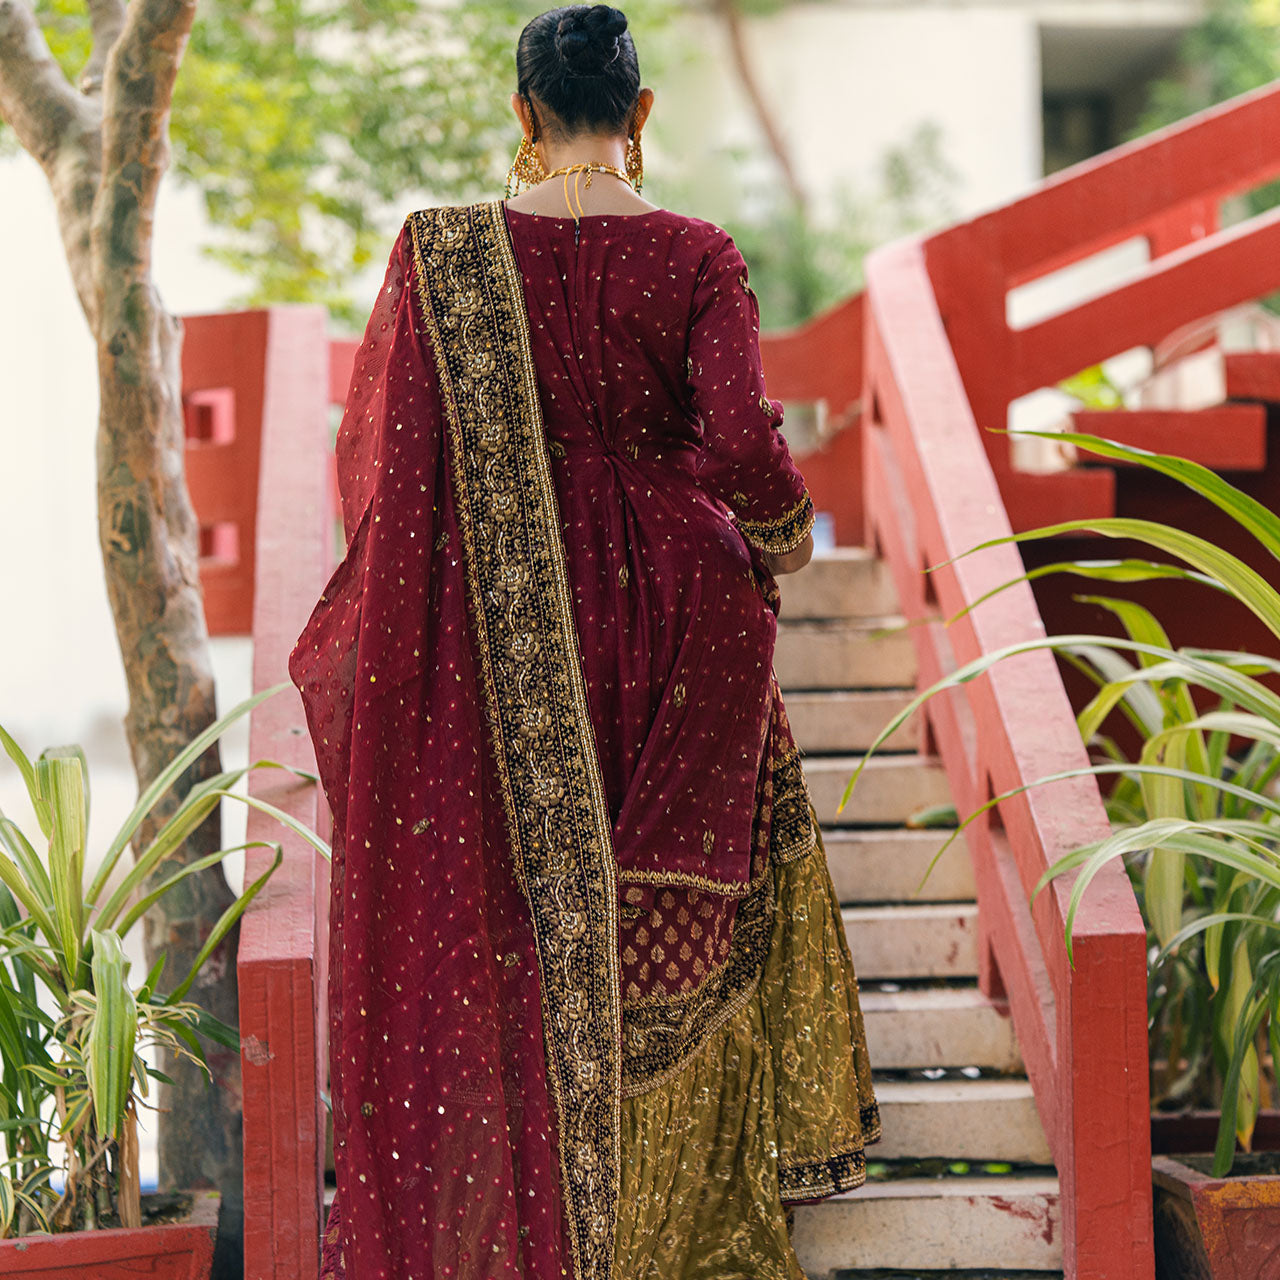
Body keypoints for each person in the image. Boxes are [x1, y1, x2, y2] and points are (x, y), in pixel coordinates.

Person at [289, 6, 878, 1278]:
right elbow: (735, 439)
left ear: (521, 113)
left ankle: (545, 1222)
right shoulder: (698, 252)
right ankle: (669, 1228)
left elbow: (388, 472)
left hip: (500, 627)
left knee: (520, 915)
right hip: (688, 614)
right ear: (641, 111)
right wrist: (781, 535)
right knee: (675, 919)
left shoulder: (435, 254)